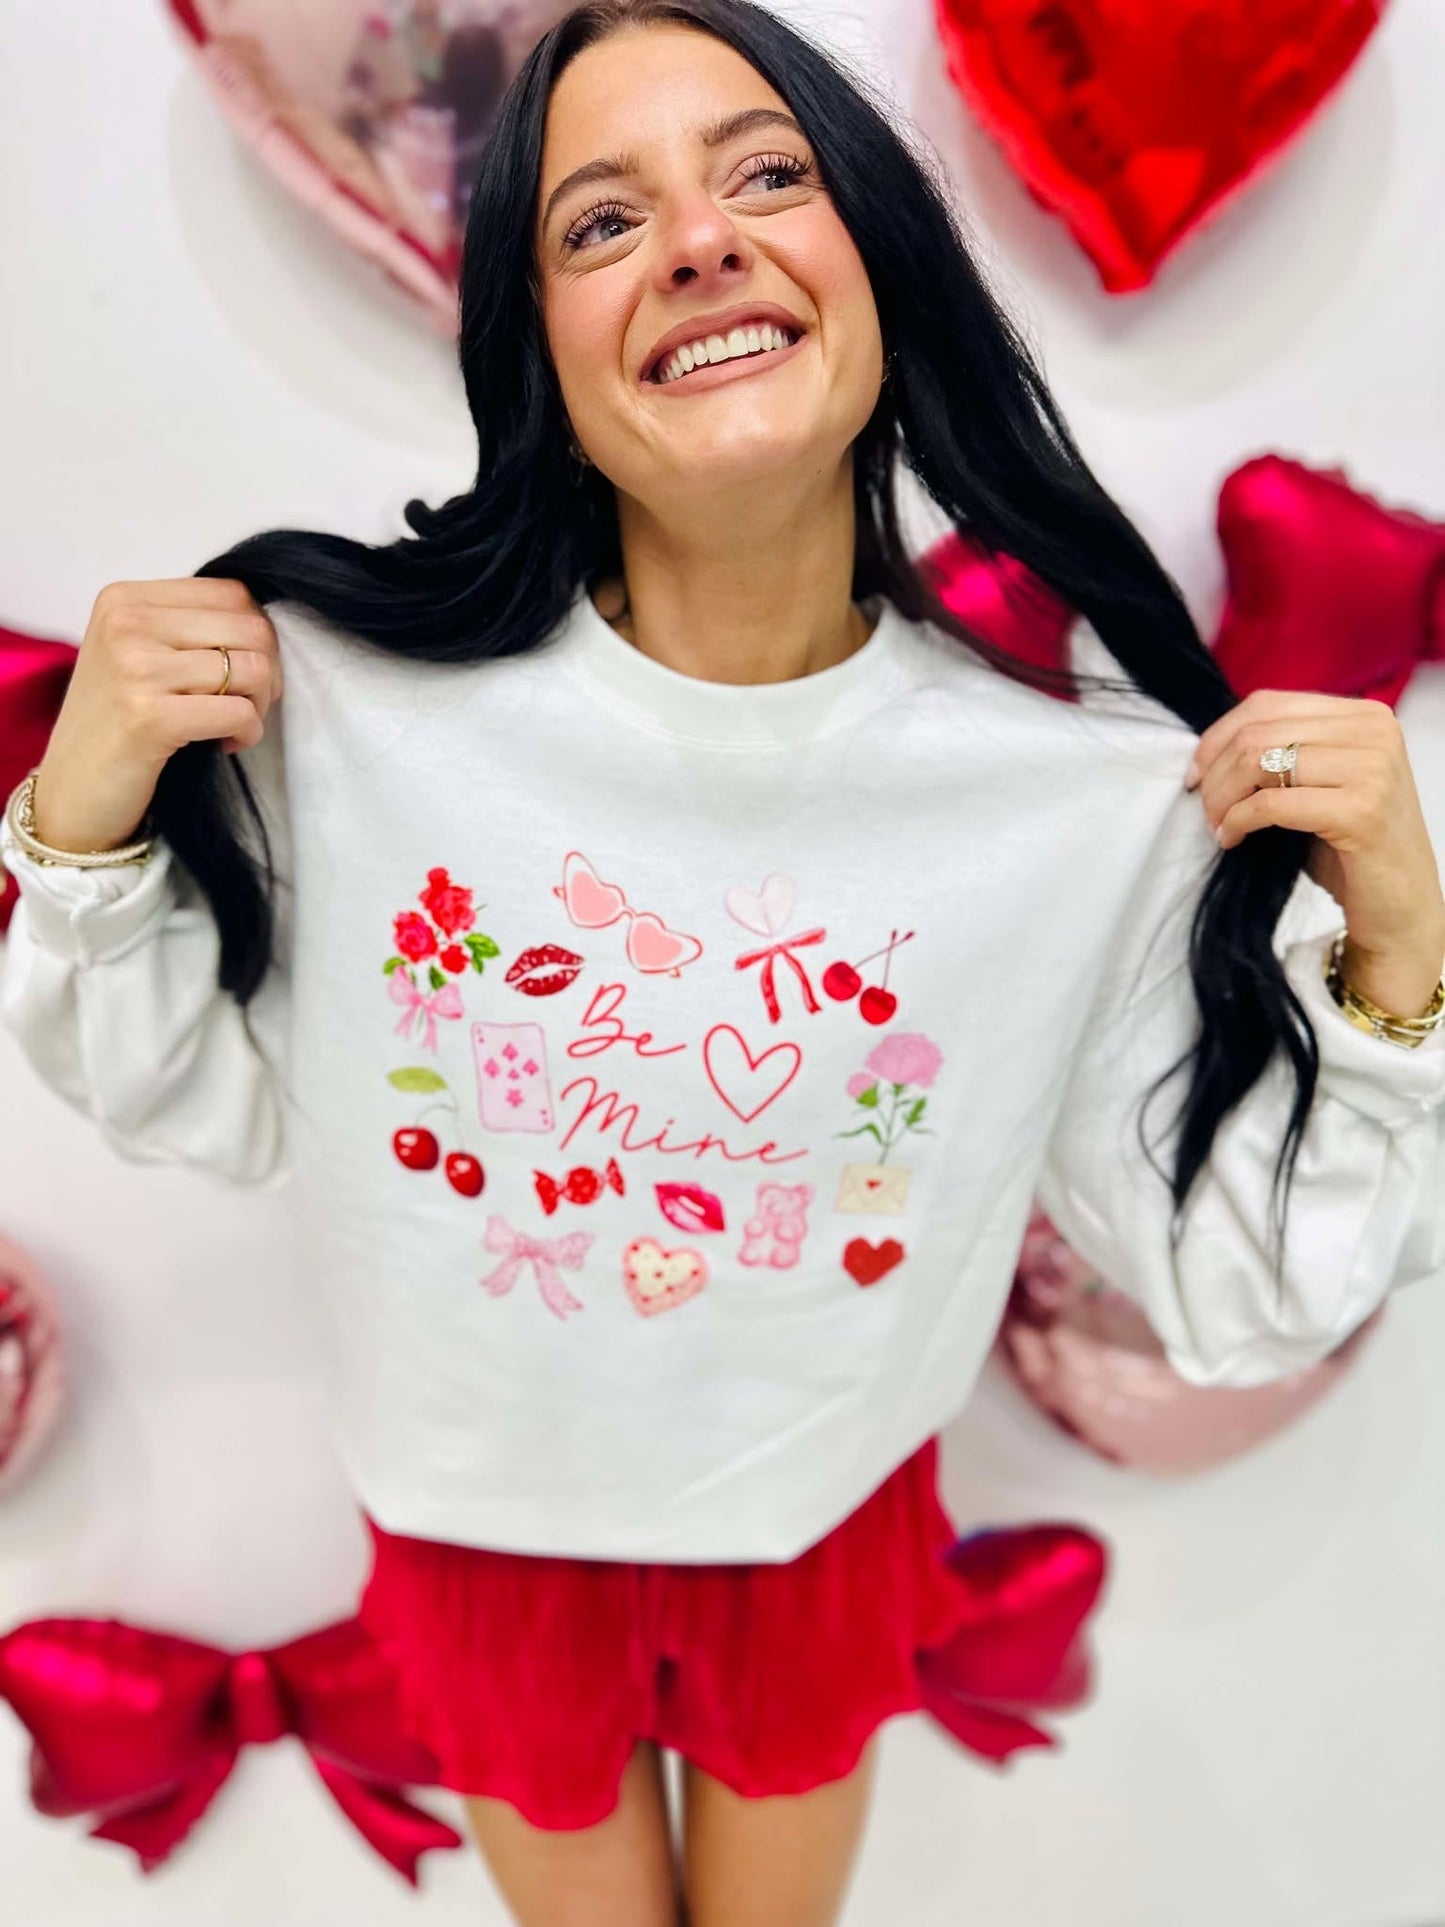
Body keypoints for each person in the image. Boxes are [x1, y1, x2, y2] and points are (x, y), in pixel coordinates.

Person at [4, 1, 1444, 1920]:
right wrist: (82, 824)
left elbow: (1245, 1291)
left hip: (823, 1517)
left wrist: (1403, 952)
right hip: (474, 1519)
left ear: (880, 257)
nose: (697, 238)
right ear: (537, 352)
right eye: (601, 220)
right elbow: (195, 1096)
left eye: (769, 174)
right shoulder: (342, 708)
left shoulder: (1080, 799)